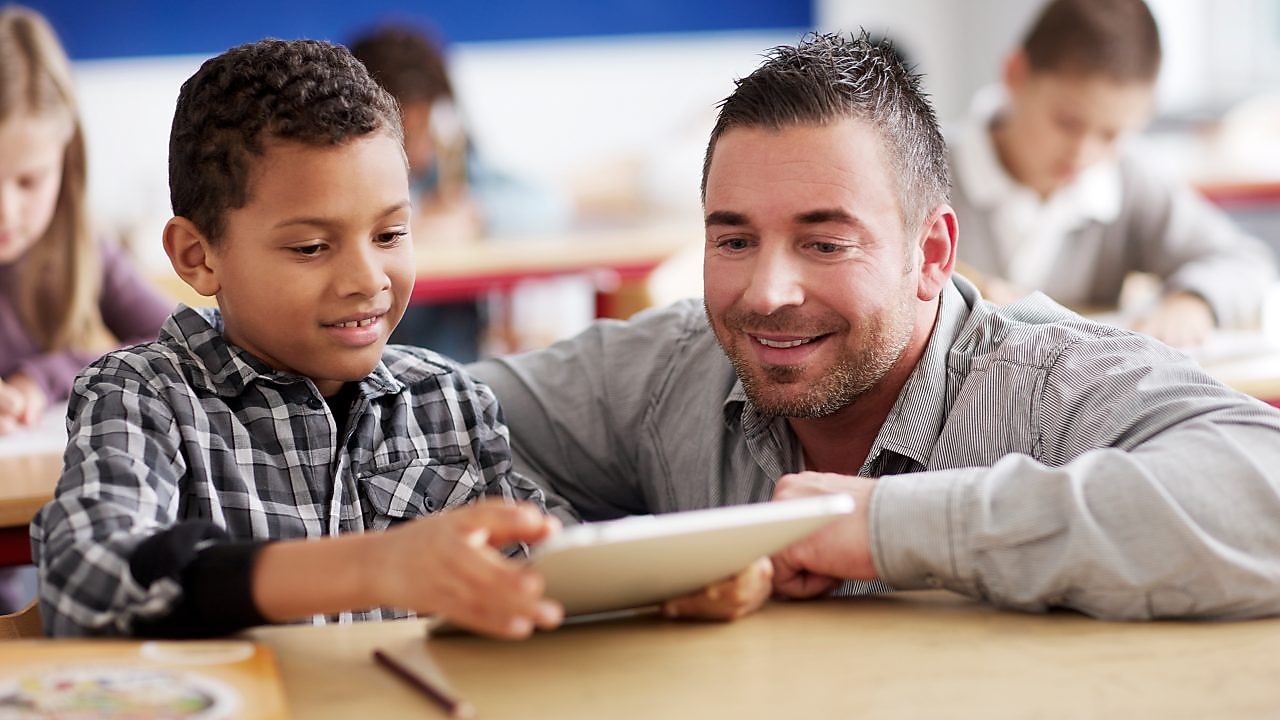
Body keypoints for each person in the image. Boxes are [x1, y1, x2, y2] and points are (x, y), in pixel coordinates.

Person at [468, 31, 1280, 621]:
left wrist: (883, 529)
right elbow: (417, 411)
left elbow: (1264, 497)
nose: (768, 290)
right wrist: (605, 566)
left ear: (931, 254)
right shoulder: (669, 368)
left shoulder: (1051, 384)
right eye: (734, 239)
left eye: (825, 242)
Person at [31, 37, 764, 638]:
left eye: (390, 233)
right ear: (198, 256)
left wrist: (666, 589)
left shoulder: (444, 402)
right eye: (312, 247)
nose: (366, 279)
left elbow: (547, 573)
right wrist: (374, 567)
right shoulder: (143, 396)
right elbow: (89, 582)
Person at [947, 0, 1276, 348]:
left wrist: (1193, 301)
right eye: (1067, 123)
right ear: (1015, 73)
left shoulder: (1128, 178)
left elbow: (1246, 261)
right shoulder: (926, 167)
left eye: (1111, 134)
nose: (1084, 152)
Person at [0, 5, 172, 614]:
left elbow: (182, 344)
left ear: (65, 163)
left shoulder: (84, 249)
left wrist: (42, 376)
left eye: (27, 181)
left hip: (38, 563)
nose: (5, 209)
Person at [349, 24, 572, 362]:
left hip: (452, 364)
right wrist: (413, 225)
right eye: (404, 130)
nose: (418, 148)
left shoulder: (450, 171)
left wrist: (475, 215)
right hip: (373, 359)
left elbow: (545, 204)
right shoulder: (344, 178)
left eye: (425, 126)